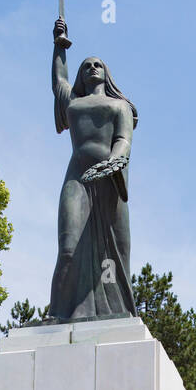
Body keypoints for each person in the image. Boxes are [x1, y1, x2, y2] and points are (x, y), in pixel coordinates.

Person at [48, 17, 138, 322]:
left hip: (110, 181)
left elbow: (124, 139)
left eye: (97, 64)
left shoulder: (119, 106)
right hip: (78, 179)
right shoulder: (73, 103)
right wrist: (59, 45)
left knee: (115, 255)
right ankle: (57, 313)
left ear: (106, 73)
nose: (92, 67)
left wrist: (115, 161)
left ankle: (115, 313)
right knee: (68, 248)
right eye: (86, 65)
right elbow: (58, 83)